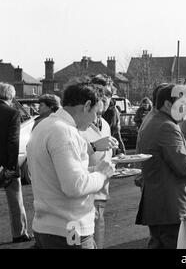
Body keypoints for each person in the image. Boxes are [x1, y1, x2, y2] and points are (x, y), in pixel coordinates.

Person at [27, 80, 116, 249]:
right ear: (87, 105)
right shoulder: (65, 132)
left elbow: (56, 173)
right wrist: (102, 174)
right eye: (96, 113)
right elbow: (74, 186)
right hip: (70, 228)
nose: (93, 121)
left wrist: (94, 170)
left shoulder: (44, 125)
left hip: (47, 226)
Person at [135, 84, 186, 249]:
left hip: (160, 204)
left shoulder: (153, 119)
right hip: (170, 206)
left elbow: (167, 155)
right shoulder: (167, 126)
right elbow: (184, 167)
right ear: (167, 104)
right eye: (184, 105)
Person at [80, 75, 119, 249]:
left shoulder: (104, 123)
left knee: (99, 228)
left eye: (107, 94)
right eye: (97, 92)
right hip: (81, 192)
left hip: (102, 189)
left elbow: (105, 155)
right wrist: (94, 146)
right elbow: (72, 154)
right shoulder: (78, 123)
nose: (103, 97)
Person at [0, 82, 33, 243]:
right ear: (11, 96)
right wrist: (12, 168)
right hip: (6, 163)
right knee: (15, 200)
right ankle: (19, 233)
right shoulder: (12, 113)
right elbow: (13, 142)